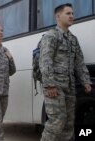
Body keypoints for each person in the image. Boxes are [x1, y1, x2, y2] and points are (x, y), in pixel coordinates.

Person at [39, 3, 92, 141]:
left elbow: (79, 62)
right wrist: (50, 84)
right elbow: (45, 61)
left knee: (68, 124)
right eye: (68, 13)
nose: (72, 16)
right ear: (58, 16)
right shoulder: (51, 36)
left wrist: (85, 81)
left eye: (72, 14)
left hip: (70, 87)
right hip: (55, 87)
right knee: (56, 122)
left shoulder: (73, 39)